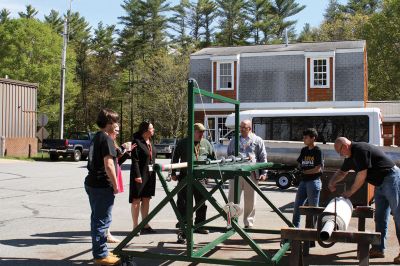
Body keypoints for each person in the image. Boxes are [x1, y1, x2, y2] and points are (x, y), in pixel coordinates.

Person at [328, 137, 400, 263]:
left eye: (340, 151)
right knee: (380, 217)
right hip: (380, 184)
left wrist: (350, 192)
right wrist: (332, 182)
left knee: (398, 216)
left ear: (345, 145)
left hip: (391, 179)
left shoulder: (360, 149)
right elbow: (342, 172)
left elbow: (362, 175)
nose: (340, 154)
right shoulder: (349, 157)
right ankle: (378, 249)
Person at [84, 108, 120, 265]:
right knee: (102, 220)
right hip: (101, 185)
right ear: (109, 123)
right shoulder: (106, 139)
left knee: (96, 219)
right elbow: (109, 165)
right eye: (115, 122)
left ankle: (101, 251)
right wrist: (115, 184)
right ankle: (100, 256)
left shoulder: (97, 137)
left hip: (91, 182)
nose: (117, 124)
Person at [171, 123, 215, 234]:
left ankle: (200, 225)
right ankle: (184, 225)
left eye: (203, 132)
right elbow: (175, 158)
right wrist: (173, 173)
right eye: (199, 132)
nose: (202, 134)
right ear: (193, 132)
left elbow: (213, 158)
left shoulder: (206, 143)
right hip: (185, 177)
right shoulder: (183, 142)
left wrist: (210, 173)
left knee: (201, 201)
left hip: (201, 177)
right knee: (183, 202)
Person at [227, 119, 267, 229]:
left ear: (250, 128)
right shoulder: (234, 140)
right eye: (241, 127)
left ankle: (248, 223)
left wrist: (264, 172)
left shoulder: (257, 140)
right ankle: (231, 222)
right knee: (232, 198)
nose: (241, 129)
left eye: (244, 127)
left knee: (250, 200)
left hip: (251, 173)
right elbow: (229, 155)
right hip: (236, 173)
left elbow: (263, 157)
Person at [106, 123, 136, 243]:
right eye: (116, 130)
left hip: (115, 174)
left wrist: (127, 152)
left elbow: (118, 161)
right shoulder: (108, 142)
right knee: (106, 206)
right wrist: (123, 148)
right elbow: (110, 162)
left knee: (109, 205)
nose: (118, 132)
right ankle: (106, 233)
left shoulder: (113, 141)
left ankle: (106, 232)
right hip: (109, 178)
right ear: (111, 129)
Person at [129, 121, 157, 235]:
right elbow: (134, 160)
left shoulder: (150, 141)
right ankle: (135, 226)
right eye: (152, 128)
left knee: (146, 199)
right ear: (145, 131)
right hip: (139, 175)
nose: (153, 130)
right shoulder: (137, 142)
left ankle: (145, 224)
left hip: (149, 175)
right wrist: (137, 175)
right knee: (136, 200)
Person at [292, 128, 322, 228]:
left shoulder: (317, 151)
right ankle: (295, 229)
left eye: (306, 137)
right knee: (297, 207)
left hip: (313, 182)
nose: (304, 139)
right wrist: (296, 170)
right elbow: (299, 163)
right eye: (303, 137)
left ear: (313, 138)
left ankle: (312, 232)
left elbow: (318, 169)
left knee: (313, 209)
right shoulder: (304, 150)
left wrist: (304, 171)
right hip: (303, 182)